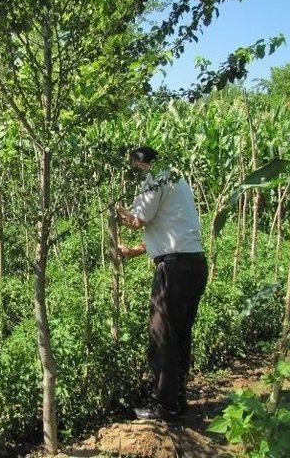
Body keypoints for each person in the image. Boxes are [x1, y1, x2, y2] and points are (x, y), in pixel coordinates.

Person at [116, 146, 207, 422]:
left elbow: (136, 220)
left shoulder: (154, 179)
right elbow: (171, 229)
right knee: (179, 336)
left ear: (140, 165)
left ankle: (165, 408)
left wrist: (114, 211)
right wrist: (136, 250)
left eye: (134, 168)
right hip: (194, 264)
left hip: (175, 270)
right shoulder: (178, 181)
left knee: (162, 338)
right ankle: (177, 401)